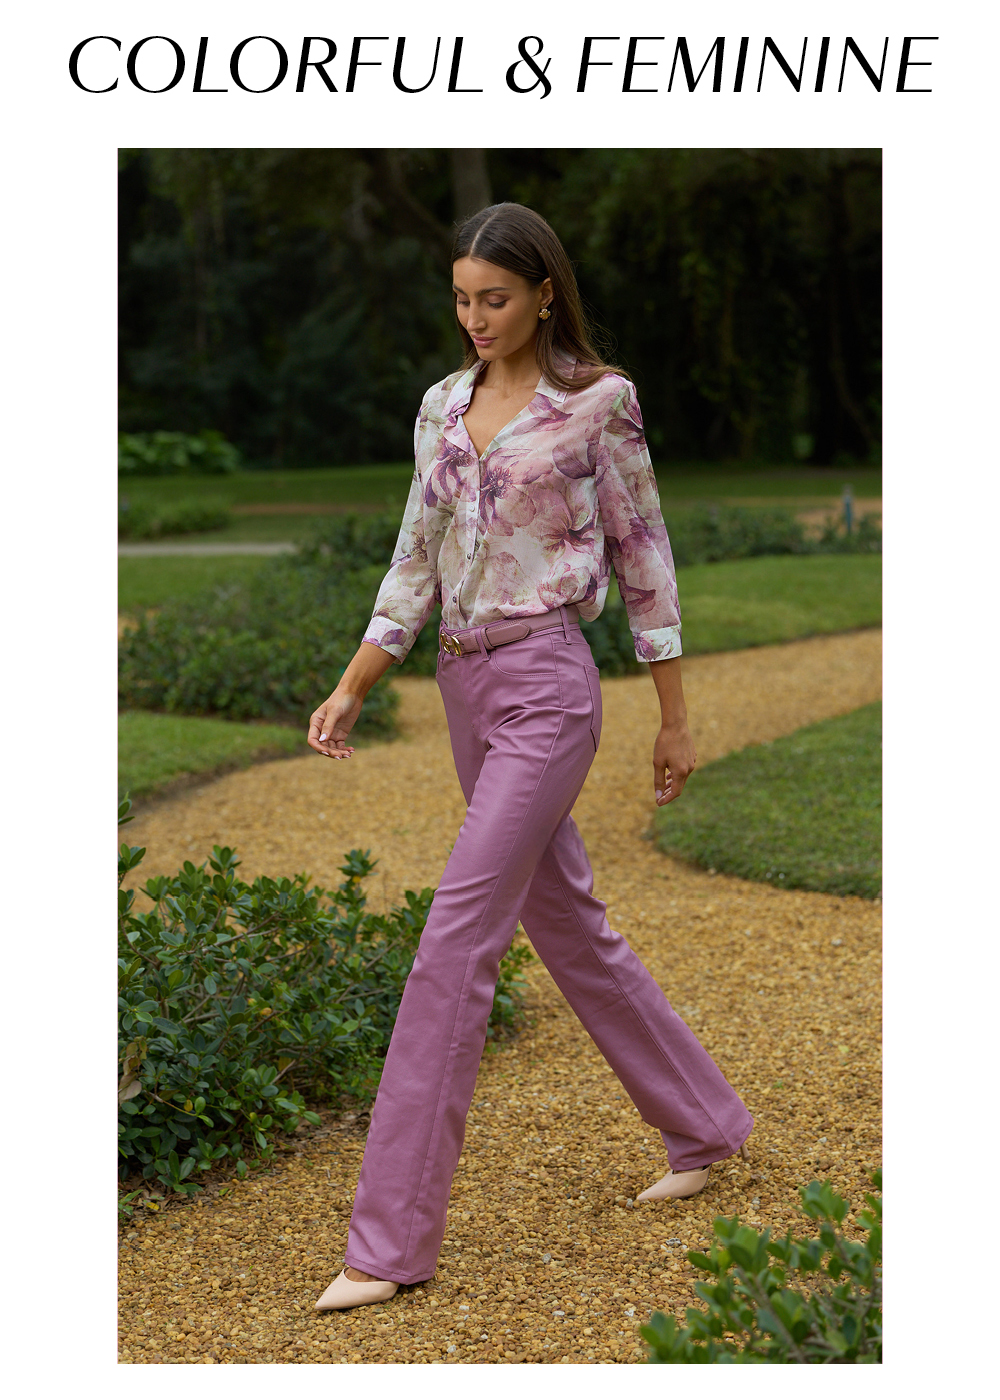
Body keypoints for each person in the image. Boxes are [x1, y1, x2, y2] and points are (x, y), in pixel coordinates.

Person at [308, 203, 753, 1312]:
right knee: (567, 921)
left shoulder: (600, 403)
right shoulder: (441, 407)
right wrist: (356, 682)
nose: (475, 319)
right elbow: (416, 555)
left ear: (545, 292)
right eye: (461, 299)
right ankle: (702, 1121)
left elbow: (644, 557)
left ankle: (388, 1241)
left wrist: (674, 715)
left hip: (551, 687)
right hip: (464, 686)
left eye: (494, 299)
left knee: (454, 938)